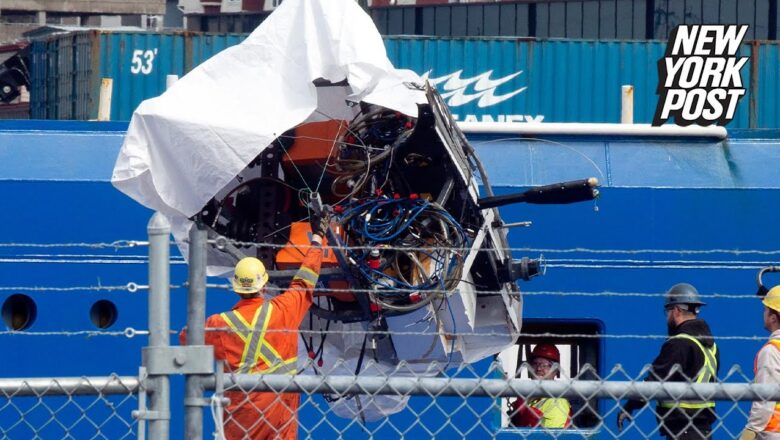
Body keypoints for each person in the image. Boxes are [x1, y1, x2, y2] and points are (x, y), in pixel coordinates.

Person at [181, 212, 329, 440]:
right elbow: (305, 280)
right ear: (264, 284)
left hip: (240, 417)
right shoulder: (284, 310)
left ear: (237, 287)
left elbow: (185, 338)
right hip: (278, 413)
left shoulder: (220, 324)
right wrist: (318, 238)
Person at [617, 283, 719, 439]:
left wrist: (630, 406)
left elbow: (654, 380)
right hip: (703, 431)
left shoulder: (679, 343)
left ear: (676, 310)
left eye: (668, 312)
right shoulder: (710, 346)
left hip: (682, 431)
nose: (667, 317)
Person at [740, 286, 780, 440]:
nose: (763, 313)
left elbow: (765, 401)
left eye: (765, 310)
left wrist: (749, 433)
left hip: (773, 432)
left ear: (773, 317)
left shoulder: (771, 351)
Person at [508, 343, 572, 429]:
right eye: (535, 364)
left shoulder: (557, 402)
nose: (538, 369)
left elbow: (552, 437)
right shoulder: (531, 397)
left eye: (545, 365)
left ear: (555, 370)